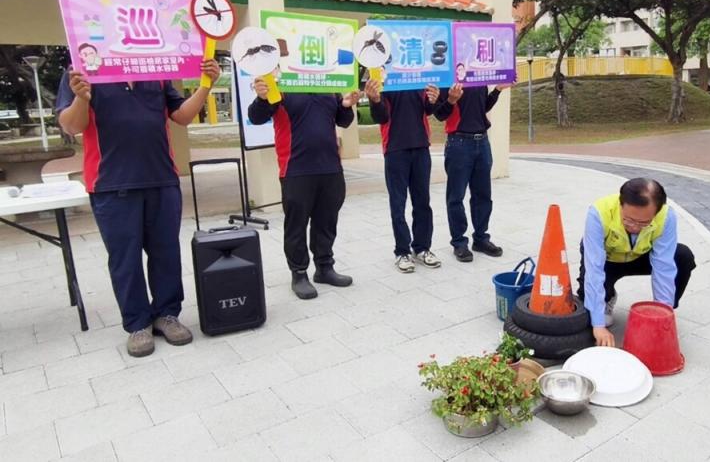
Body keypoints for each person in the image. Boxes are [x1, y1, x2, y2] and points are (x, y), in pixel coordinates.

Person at [56, 59, 221, 357]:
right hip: (112, 183)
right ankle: (137, 324)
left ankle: (167, 314)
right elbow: (70, 125)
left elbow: (181, 115)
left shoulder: (153, 67)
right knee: (125, 259)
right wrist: (81, 97)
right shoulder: (81, 67)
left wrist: (206, 84)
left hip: (161, 179)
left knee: (166, 253)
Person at [248, 77, 358, 299]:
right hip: (295, 167)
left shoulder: (328, 85)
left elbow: (342, 121)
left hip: (330, 167)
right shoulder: (281, 85)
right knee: (296, 223)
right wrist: (261, 98)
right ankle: (299, 273)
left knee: (327, 220)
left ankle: (324, 267)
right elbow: (256, 117)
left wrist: (346, 106)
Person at [577, 178, 696, 347]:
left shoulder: (666, 216)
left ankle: (668, 312)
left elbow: (664, 267)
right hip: (607, 260)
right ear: (620, 204)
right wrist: (598, 325)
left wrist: (662, 317)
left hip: (640, 257)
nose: (634, 227)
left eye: (644, 223)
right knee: (587, 310)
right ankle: (608, 297)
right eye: (628, 220)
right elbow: (594, 269)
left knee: (682, 257)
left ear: (657, 211)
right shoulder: (598, 212)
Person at [364, 78, 442, 273]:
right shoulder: (383, 75)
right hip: (395, 148)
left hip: (421, 146)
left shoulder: (419, 74)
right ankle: (402, 251)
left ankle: (422, 248)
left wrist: (433, 100)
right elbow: (381, 116)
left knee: (423, 202)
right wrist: (374, 99)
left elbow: (428, 109)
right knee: (398, 204)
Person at [434, 82, 511, 262]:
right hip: (459, 142)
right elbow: (439, 114)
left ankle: (481, 238)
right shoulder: (447, 78)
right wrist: (451, 100)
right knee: (456, 197)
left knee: (483, 195)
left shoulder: (479, 77)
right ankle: (459, 242)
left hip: (482, 141)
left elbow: (483, 107)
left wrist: (498, 90)